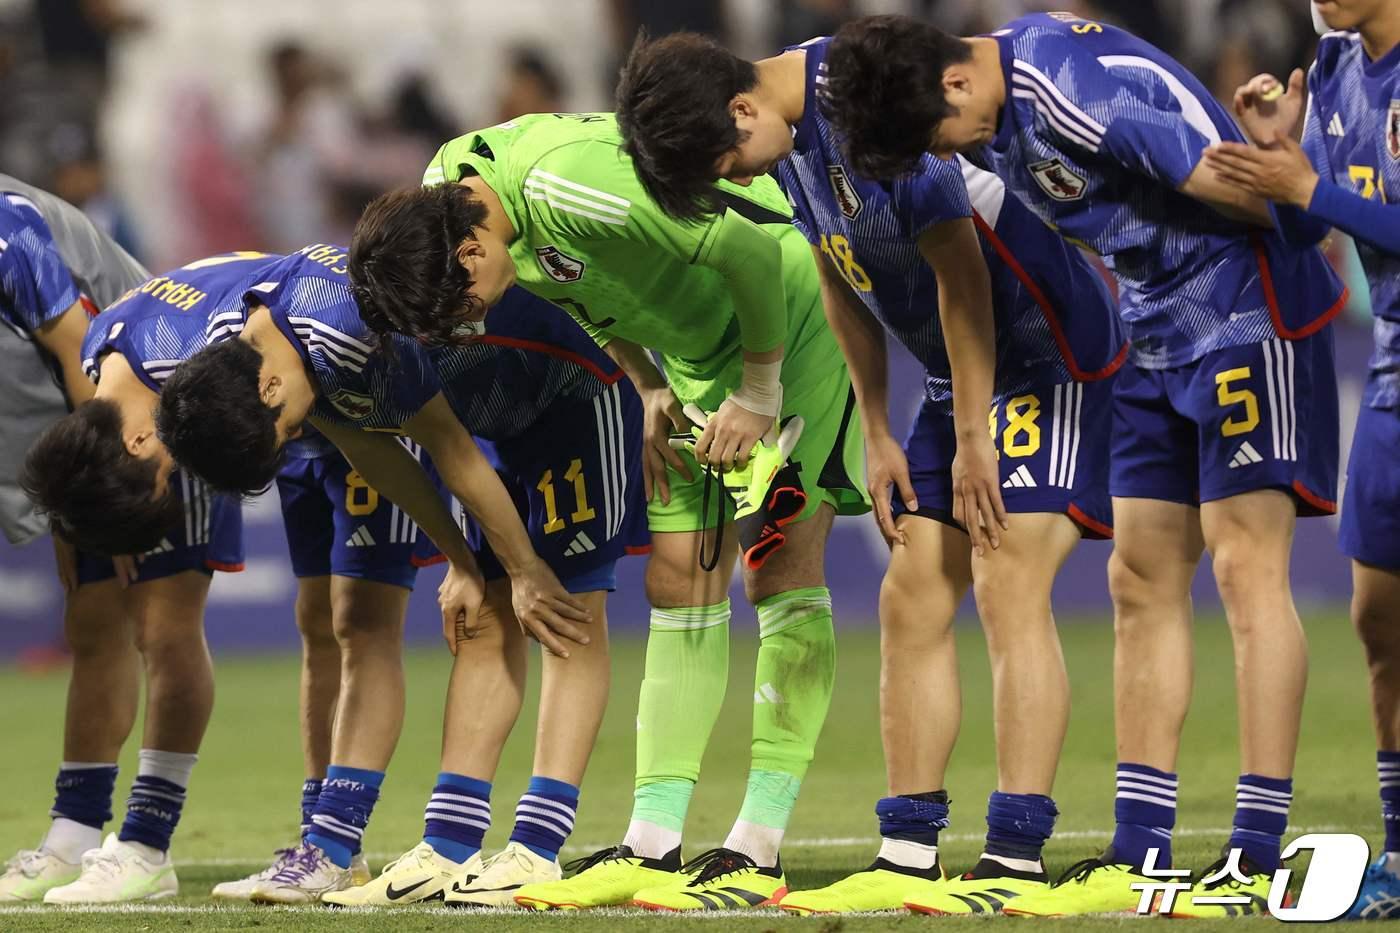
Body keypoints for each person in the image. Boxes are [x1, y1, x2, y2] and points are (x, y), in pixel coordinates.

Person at [819, 12, 1347, 918]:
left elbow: (1237, 182)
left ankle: (1257, 851)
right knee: (1139, 577)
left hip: (1246, 315)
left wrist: (1302, 187)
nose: (945, 157)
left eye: (936, 138)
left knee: (1245, 568)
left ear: (953, 85)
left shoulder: (1064, 90)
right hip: (1150, 327)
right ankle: (1140, 846)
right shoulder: (996, 108)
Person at [614, 30, 1126, 915]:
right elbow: (836, 270)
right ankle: (907, 851)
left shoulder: (869, 101)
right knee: (911, 594)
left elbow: (962, 280)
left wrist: (972, 439)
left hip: (1047, 358)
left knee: (1007, 582)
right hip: (953, 379)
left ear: (743, 110)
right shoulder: (786, 146)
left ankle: (1013, 857)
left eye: (725, 162)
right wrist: (880, 427)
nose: (734, 178)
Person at [347, 113, 874, 911]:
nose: (465, 329)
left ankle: (756, 845)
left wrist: (760, 392)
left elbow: (751, 249)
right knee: (677, 580)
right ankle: (654, 841)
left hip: (786, 324)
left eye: (457, 310)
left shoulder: (567, 182)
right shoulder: (449, 201)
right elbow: (580, 288)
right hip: (693, 358)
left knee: (777, 570)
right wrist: (647, 379)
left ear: (469, 250)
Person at [157, 245, 647, 906]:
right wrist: (464, 561)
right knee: (483, 618)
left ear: (270, 388)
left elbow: (446, 450)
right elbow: (372, 451)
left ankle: (536, 846)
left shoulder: (341, 333)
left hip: (570, 392)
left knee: (567, 615)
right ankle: (448, 849)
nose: (302, 430)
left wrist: (526, 569)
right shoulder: (250, 347)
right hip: (490, 418)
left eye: (292, 427)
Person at [1201, 0, 1400, 918]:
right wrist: (1281, 159)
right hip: (1393, 373)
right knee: (1378, 622)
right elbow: (1303, 233)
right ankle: (1398, 856)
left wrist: (1308, 188)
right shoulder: (1332, 68)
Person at [7, 245, 249, 905]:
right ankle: (74, 834)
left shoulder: (6, 231)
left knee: (163, 627)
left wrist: (119, 485)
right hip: (97, 442)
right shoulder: (102, 369)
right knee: (90, 619)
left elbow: (71, 344)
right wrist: (78, 506)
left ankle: (147, 842)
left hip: (171, 416)